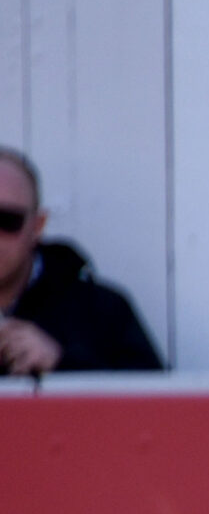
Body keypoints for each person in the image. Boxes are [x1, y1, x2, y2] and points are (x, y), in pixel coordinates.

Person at [0, 147, 164, 376]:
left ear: (37, 226)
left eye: (6, 220)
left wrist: (62, 363)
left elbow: (155, 403)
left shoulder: (102, 312)